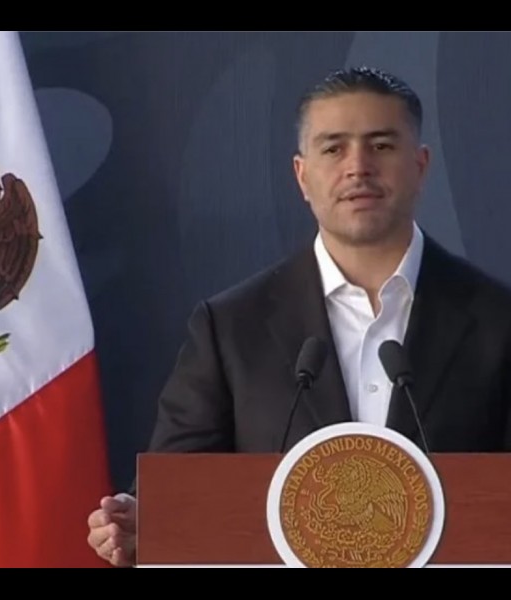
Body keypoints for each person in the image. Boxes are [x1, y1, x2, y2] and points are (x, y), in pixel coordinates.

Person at [87, 66, 511, 567]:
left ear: (420, 166)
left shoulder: (498, 319)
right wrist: (143, 524)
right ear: (302, 176)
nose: (358, 168)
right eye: (333, 149)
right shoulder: (230, 328)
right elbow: (178, 497)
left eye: (381, 145)